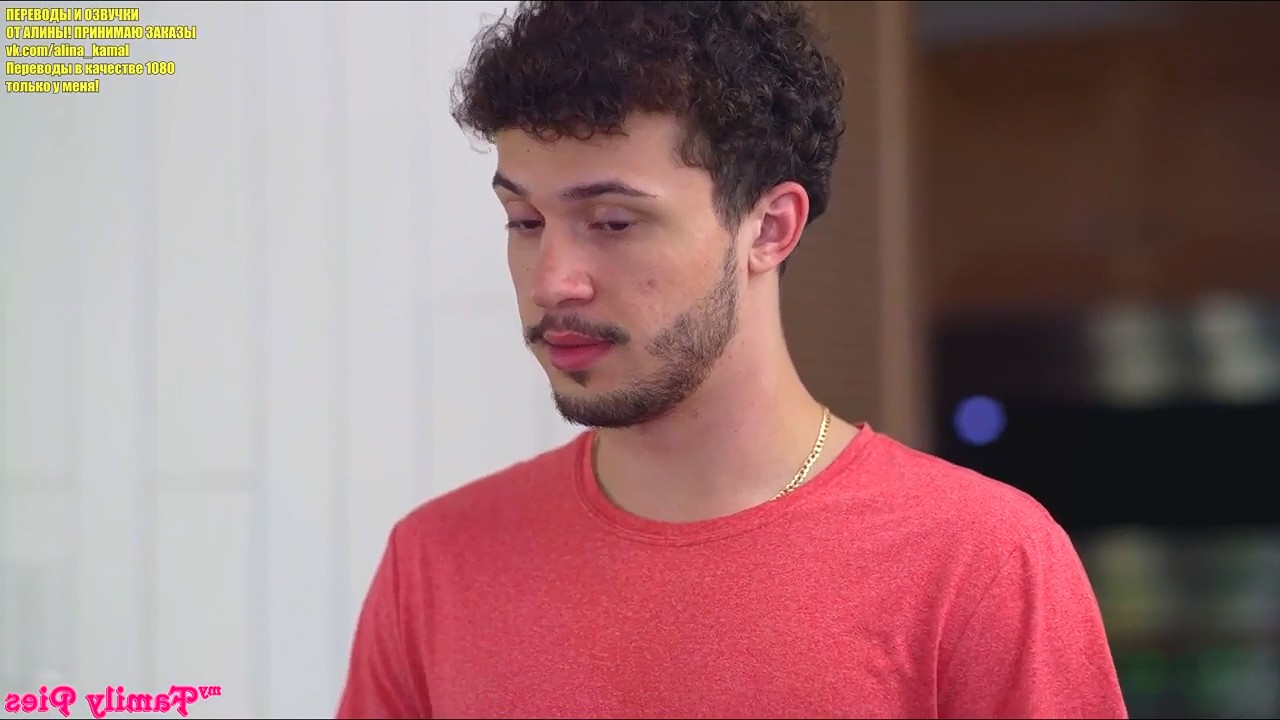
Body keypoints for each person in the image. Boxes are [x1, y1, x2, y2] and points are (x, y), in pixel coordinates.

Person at [336, 2, 1128, 718]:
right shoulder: (437, 564)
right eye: (525, 221)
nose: (552, 282)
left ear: (770, 228)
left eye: (612, 222)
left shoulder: (981, 564)